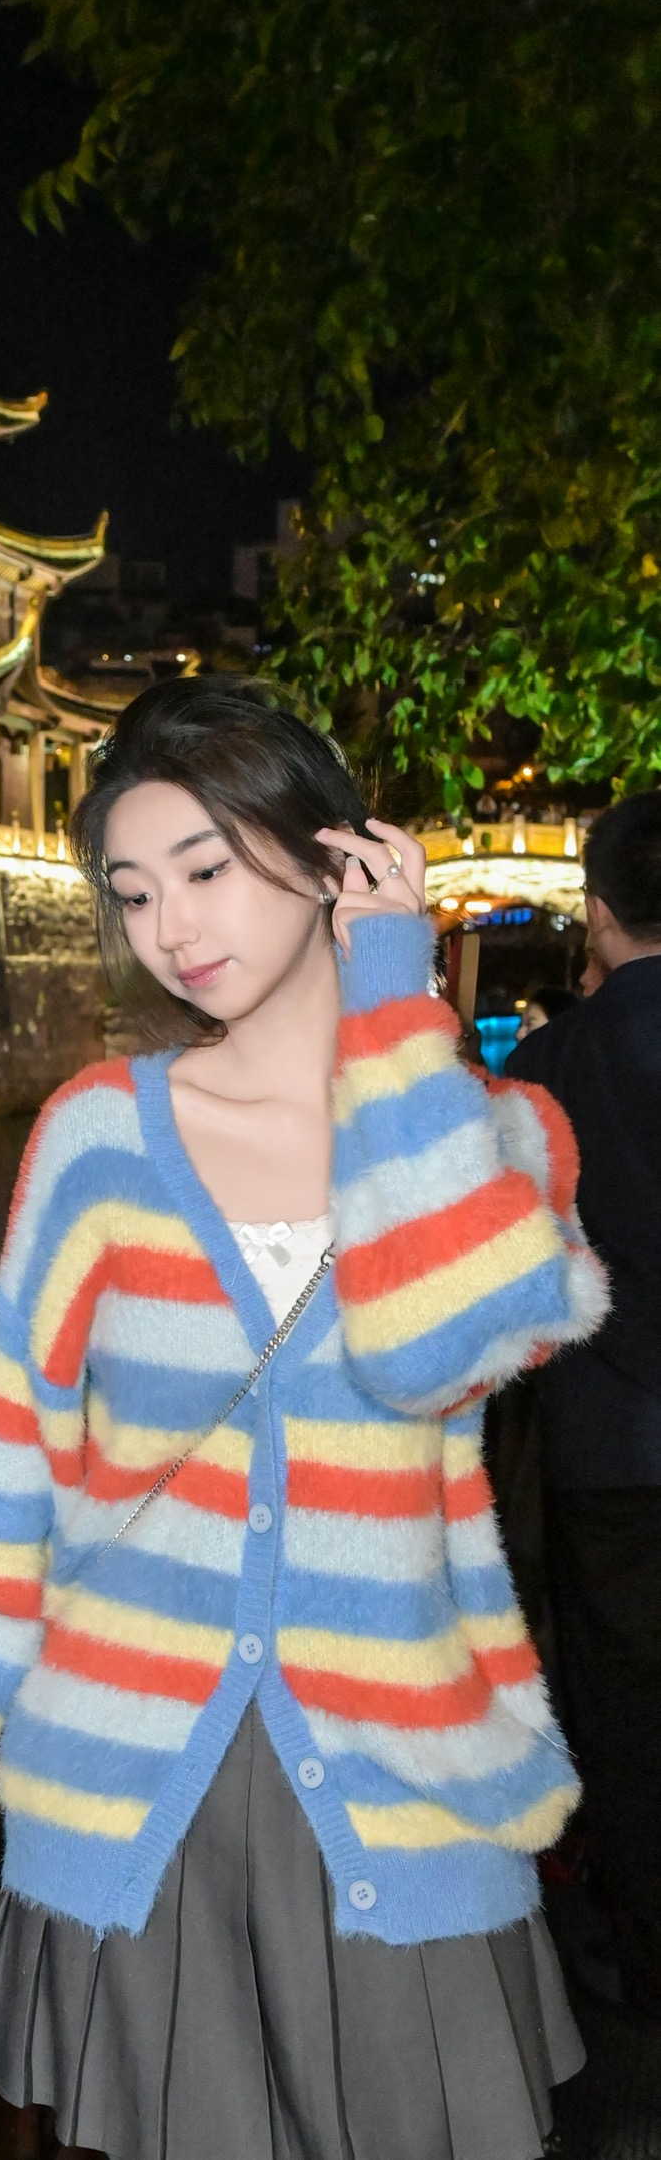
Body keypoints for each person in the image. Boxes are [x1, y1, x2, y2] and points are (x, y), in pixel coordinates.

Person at [0, 679, 607, 2160]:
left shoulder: (492, 1137)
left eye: (206, 869)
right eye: (135, 890)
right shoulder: (98, 1137)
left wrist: (394, 996)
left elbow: (437, 1346)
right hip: (133, 1786)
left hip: (407, 1783)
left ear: (330, 856)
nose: (171, 928)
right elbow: (8, 1476)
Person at [506, 789, 661, 2021]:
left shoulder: (548, 1068)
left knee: (622, 1712)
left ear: (598, 911)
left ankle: (644, 1956)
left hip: (608, 1445)